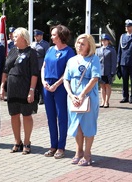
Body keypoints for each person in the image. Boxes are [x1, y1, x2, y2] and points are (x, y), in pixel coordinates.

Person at [63, 34, 101, 166]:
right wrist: (71, 95)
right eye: (78, 42)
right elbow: (66, 79)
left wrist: (83, 94)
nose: (79, 45)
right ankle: (78, 151)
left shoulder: (93, 59)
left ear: (89, 46)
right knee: (76, 125)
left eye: (83, 44)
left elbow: (94, 78)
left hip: (89, 97)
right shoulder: (72, 60)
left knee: (88, 126)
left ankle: (87, 153)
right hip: (73, 98)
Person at [0, 27, 38, 155]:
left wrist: (31, 90)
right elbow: (5, 70)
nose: (13, 38)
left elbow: (34, 73)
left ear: (23, 37)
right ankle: (17, 142)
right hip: (12, 88)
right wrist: (2, 86)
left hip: (25, 88)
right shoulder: (12, 51)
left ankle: (27, 142)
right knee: (14, 115)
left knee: (26, 115)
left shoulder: (31, 52)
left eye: (15, 36)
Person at [41, 25, 75, 159]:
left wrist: (56, 84)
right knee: (50, 117)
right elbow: (43, 66)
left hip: (60, 87)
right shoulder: (49, 49)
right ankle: (52, 146)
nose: (51, 37)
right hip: (47, 86)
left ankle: (61, 147)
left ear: (61, 36)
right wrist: (43, 81)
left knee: (61, 117)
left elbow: (68, 72)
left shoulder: (69, 52)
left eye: (54, 34)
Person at [117, 19, 132, 104]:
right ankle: (125, 96)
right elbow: (120, 50)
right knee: (124, 80)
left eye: (129, 26)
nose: (126, 27)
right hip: (123, 62)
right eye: (126, 26)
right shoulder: (122, 36)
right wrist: (118, 62)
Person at [95, 34, 117, 108]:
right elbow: (96, 61)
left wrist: (113, 71)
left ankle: (107, 102)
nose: (104, 42)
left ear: (108, 41)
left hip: (108, 71)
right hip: (100, 71)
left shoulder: (111, 50)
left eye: (105, 40)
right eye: (102, 40)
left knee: (107, 86)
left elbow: (114, 62)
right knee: (102, 86)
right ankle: (102, 101)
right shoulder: (98, 50)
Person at [31, 29, 50, 105]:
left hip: (40, 64)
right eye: (35, 36)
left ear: (41, 36)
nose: (36, 37)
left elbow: (47, 56)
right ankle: (35, 97)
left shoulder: (45, 44)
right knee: (34, 82)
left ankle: (42, 98)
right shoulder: (32, 44)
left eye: (37, 36)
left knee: (40, 82)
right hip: (33, 64)